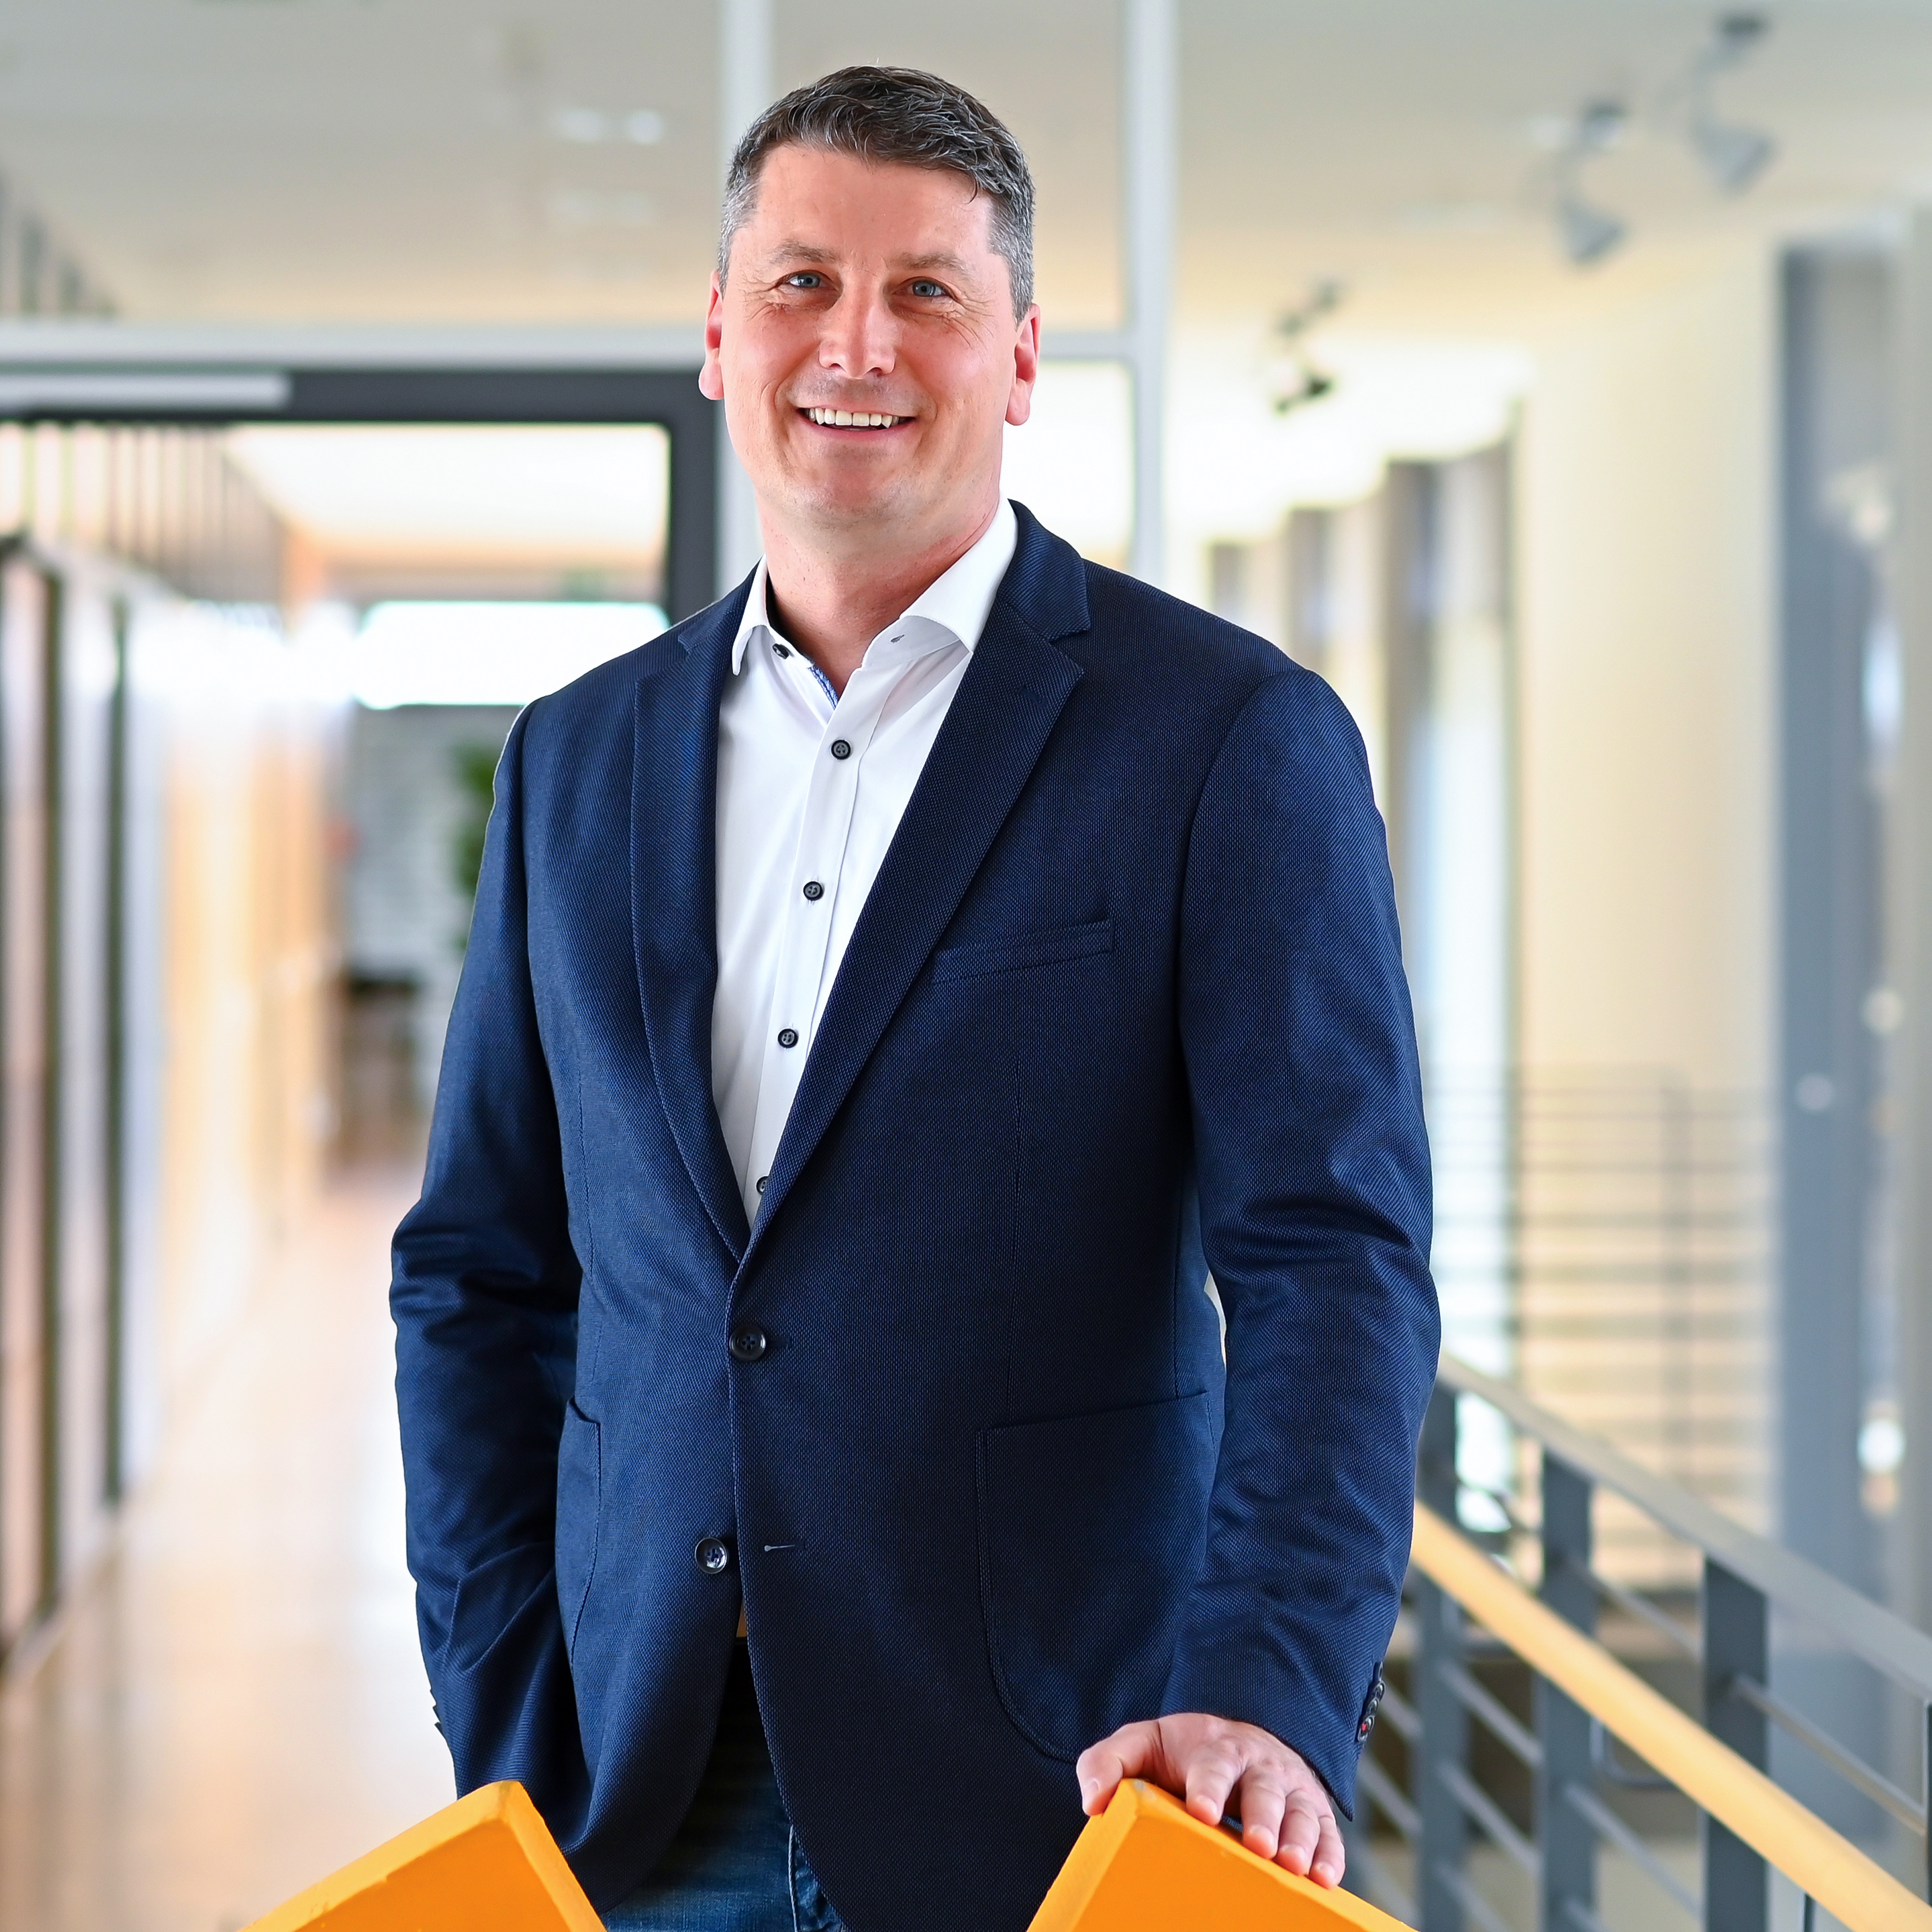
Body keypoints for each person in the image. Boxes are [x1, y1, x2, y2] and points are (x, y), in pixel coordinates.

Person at [392, 65, 1437, 1932]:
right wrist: (505, 1707)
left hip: (1058, 1789)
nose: (855, 341)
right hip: (629, 1795)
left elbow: (1329, 1255)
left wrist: (1267, 1685)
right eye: (800, 283)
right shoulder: (580, 759)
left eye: (928, 293)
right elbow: (482, 1268)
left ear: (1021, 357)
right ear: (719, 338)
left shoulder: (1222, 740)